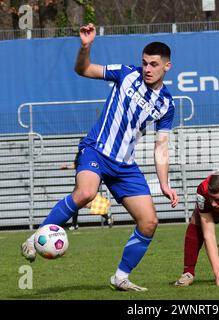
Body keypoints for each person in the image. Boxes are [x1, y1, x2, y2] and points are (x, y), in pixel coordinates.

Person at [21, 23, 179, 292]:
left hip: (124, 166)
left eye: (153, 64)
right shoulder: (126, 74)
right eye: (145, 63)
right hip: (96, 149)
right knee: (86, 193)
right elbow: (84, 69)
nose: (147, 69)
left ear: (167, 66)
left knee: (150, 221)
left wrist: (164, 183)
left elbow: (161, 147)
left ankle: (120, 277)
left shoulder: (166, 104)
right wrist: (85, 48)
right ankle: (38, 236)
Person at [60, 151, 113, 230]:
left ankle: (107, 216)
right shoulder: (80, 155)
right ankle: (75, 224)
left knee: (85, 203)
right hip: (81, 182)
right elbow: (76, 165)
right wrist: (67, 166)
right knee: (76, 202)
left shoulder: (92, 154)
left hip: (89, 181)